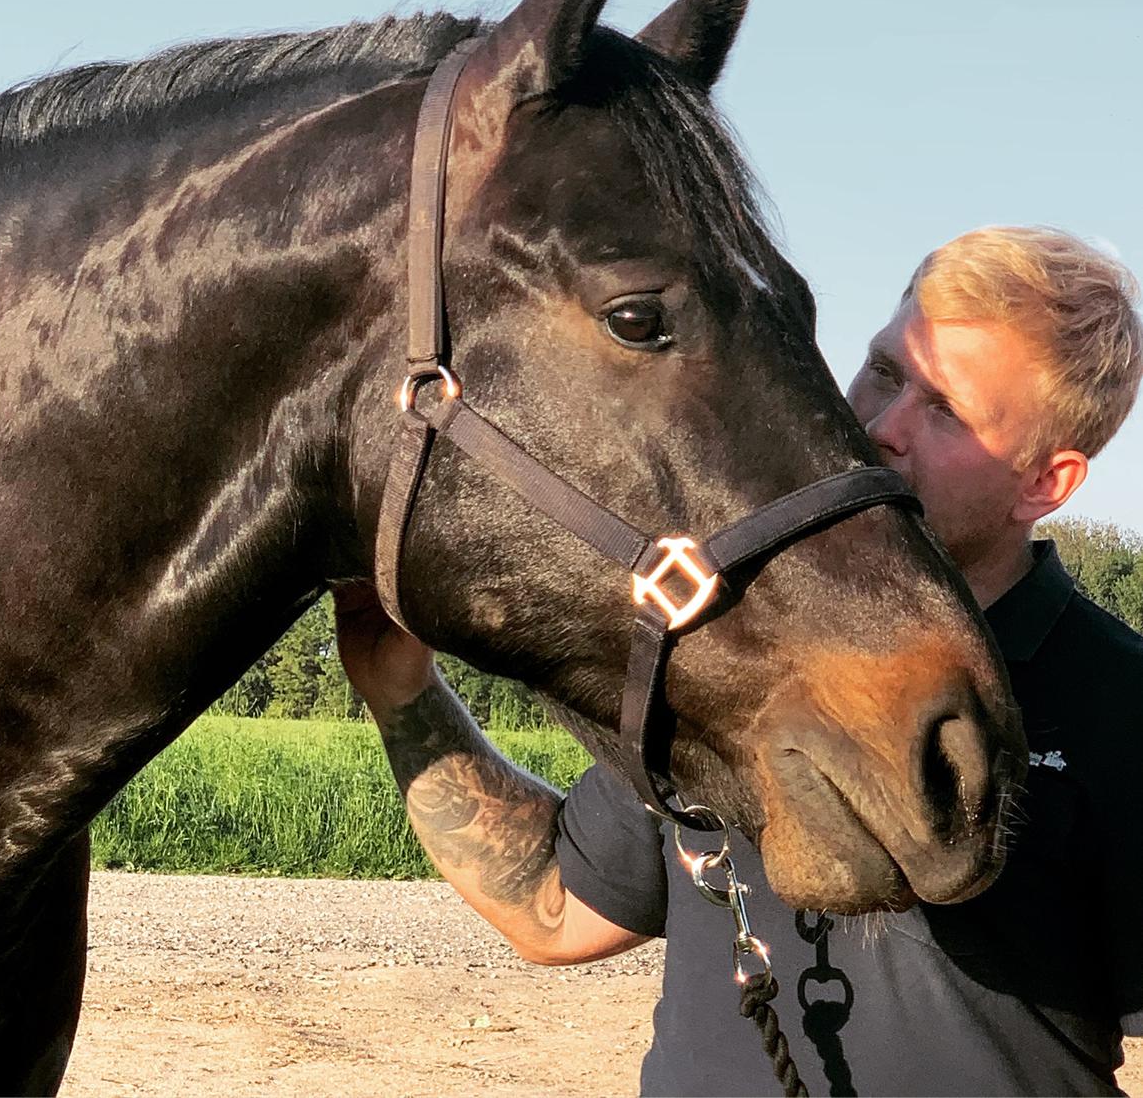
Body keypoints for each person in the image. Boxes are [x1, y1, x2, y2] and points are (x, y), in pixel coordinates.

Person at [336, 225, 1143, 1097]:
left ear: (1046, 483)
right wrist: (399, 687)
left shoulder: (1122, 706)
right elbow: (556, 911)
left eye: (946, 411)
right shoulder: (730, 632)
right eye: (883, 372)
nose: (879, 426)